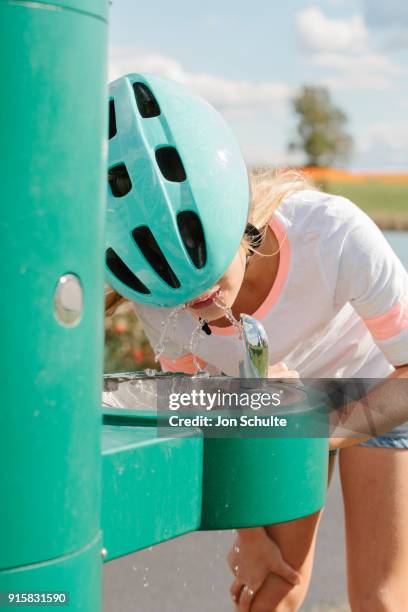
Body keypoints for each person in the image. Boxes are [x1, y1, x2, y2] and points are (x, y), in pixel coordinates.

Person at [105, 73, 408, 611]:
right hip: (276, 408)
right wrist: (249, 537)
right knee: (270, 594)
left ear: (236, 222)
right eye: (174, 293)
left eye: (207, 278)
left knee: (380, 601)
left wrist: (306, 427)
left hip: (377, 385)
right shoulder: (157, 296)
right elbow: (200, 410)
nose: (193, 301)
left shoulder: (334, 234)